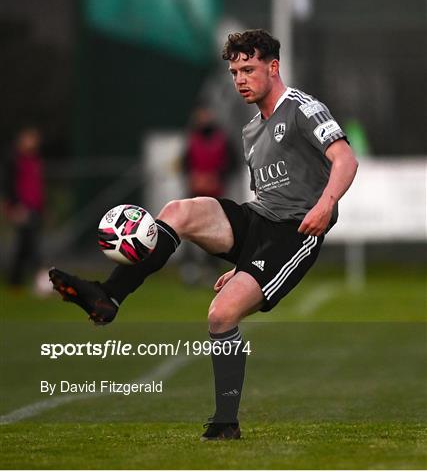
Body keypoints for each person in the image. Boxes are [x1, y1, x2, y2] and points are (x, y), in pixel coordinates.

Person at [49, 29, 358, 441]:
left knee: (220, 315)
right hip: (257, 220)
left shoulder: (302, 108)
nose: (240, 79)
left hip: (294, 233)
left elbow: (346, 159)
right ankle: (109, 296)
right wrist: (243, 262)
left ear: (273, 66)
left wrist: (326, 203)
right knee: (179, 211)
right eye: (233, 72)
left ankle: (226, 422)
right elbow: (264, 198)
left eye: (248, 69)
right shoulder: (251, 131)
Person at [180, 105, 236, 285]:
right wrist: (194, 178)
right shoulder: (191, 138)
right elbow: (185, 164)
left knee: (214, 232)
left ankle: (212, 268)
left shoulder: (223, 138)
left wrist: (217, 177)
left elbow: (233, 163)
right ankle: (190, 268)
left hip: (216, 196)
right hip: (195, 193)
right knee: (190, 230)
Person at [2, 127, 45, 290]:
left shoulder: (36, 160)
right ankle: (39, 279)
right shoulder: (13, 160)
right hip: (22, 209)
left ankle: (15, 281)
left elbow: (38, 187)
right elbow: (8, 185)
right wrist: (13, 207)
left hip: (35, 209)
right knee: (31, 245)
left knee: (25, 246)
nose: (34, 142)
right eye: (30, 138)